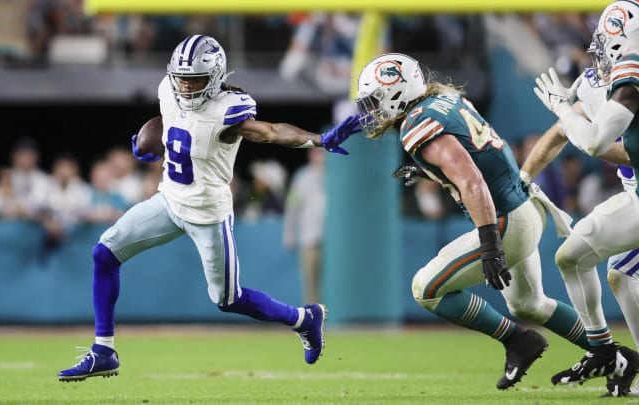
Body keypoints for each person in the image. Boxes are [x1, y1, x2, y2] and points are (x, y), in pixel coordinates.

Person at [57, 34, 361, 382]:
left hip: (208, 215)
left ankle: (303, 319)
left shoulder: (228, 110)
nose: (186, 86)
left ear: (215, 77)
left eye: (195, 79)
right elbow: (172, 127)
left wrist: (319, 139)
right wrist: (153, 147)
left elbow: (272, 131)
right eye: (181, 77)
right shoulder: (167, 90)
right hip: (169, 200)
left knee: (228, 299)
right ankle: (104, 350)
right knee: (104, 253)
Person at [353, 52, 594, 391]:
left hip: (505, 220)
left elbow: (472, 182)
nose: (374, 110)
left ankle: (517, 341)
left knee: (427, 289)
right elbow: (476, 158)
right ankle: (609, 351)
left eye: (377, 99)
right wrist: (428, 171)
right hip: (526, 204)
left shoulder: (416, 124)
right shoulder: (444, 100)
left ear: (397, 92)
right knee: (529, 303)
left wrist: (489, 243)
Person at [532, 0, 639, 393]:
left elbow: (595, 143)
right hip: (636, 194)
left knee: (620, 273)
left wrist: (564, 109)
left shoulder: (632, 69)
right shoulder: (621, 74)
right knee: (577, 259)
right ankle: (602, 349)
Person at [283, 147, 326, 304]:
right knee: (311, 282)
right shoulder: (302, 178)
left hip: (334, 241)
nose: (320, 157)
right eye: (317, 153)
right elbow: (292, 206)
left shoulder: (336, 175)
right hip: (310, 238)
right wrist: (289, 232)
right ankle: (313, 318)